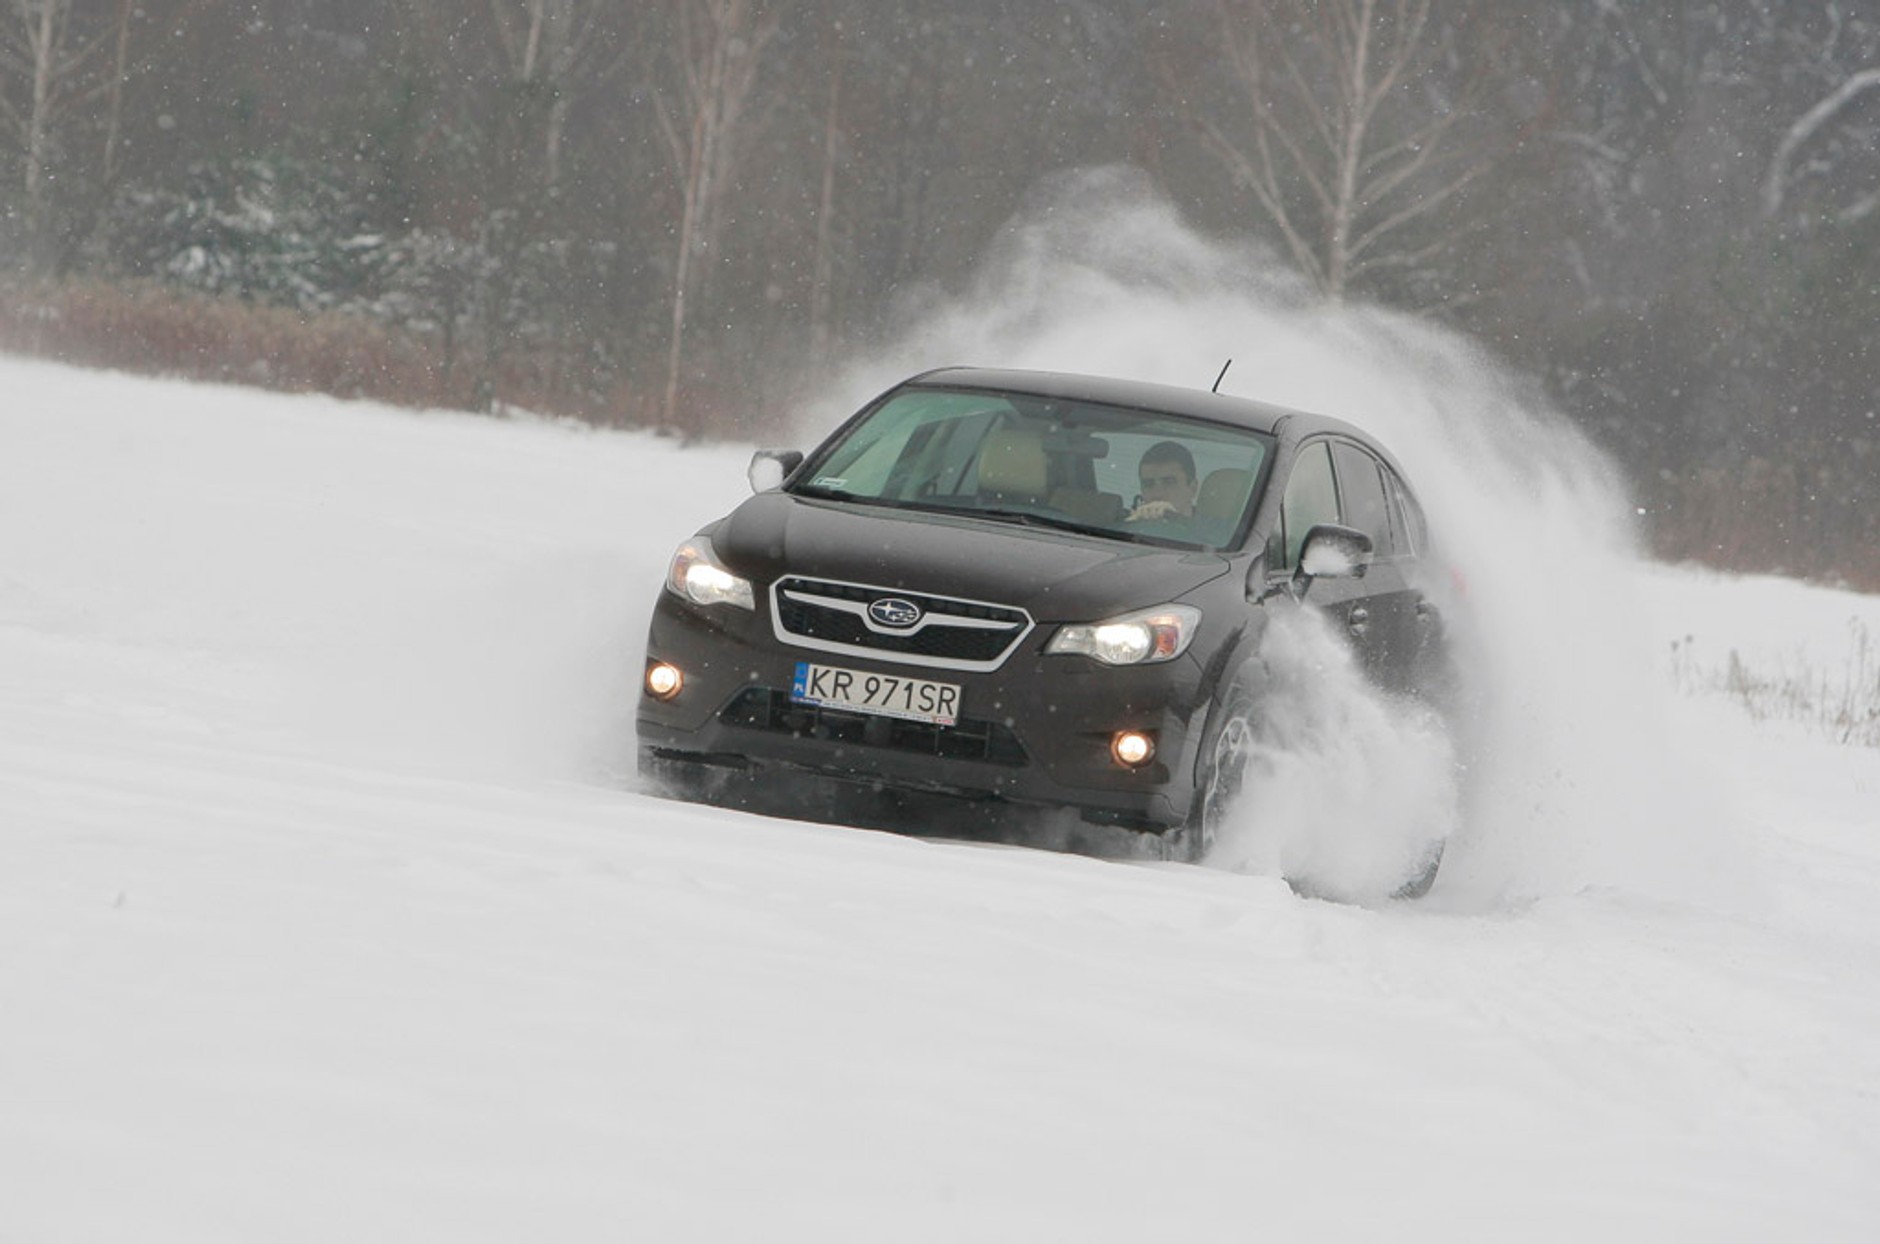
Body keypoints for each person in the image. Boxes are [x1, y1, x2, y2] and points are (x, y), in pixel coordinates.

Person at [1126, 440, 1198, 524]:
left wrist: (1176, 519)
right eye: (1148, 484)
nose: (1158, 494)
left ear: (1193, 489)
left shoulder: (1211, 533)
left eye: (1169, 482)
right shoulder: (1123, 530)